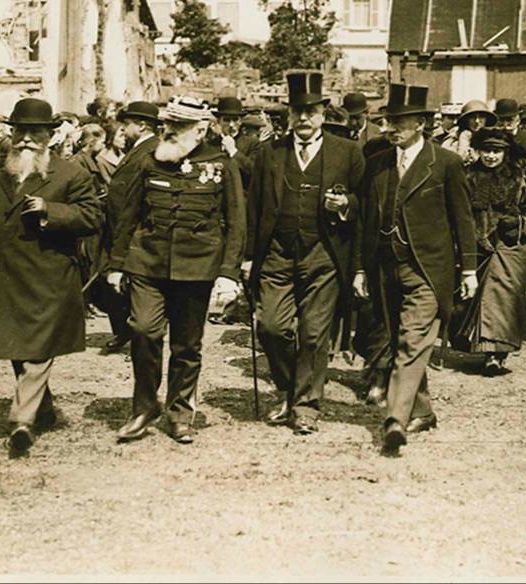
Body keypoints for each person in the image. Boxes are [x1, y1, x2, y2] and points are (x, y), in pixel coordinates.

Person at [0, 98, 102, 459]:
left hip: (49, 276)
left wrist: (52, 210)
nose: (26, 139)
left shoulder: (70, 173)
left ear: (49, 136)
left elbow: (92, 216)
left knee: (36, 350)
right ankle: (43, 408)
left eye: (35, 132)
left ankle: (21, 421)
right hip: (3, 277)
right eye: (21, 131)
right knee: (18, 347)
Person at [107, 98, 245, 444]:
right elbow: (129, 215)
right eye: (168, 123)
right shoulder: (148, 159)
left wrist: (229, 273)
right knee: (143, 330)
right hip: (147, 262)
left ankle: (180, 413)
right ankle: (143, 408)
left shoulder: (220, 163)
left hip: (196, 266)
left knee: (186, 345)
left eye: (178, 126)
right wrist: (116, 264)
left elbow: (236, 222)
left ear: (200, 130)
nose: (167, 130)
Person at [356, 84, 477, 454]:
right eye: (388, 121)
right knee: (399, 341)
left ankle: (396, 419)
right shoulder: (375, 163)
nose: (391, 128)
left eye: (400, 122)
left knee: (411, 340)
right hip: (385, 269)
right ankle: (423, 409)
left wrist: (469, 270)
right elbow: (365, 220)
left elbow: (463, 220)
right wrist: (362, 269)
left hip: (427, 270)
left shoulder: (445, 163)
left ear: (421, 124)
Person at [244, 72, 365, 434]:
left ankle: (306, 406)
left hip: (324, 255)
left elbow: (365, 203)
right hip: (277, 253)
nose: (304, 119)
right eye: (297, 112)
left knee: (314, 335)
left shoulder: (347, 152)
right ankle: (289, 389)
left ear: (324, 113)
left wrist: (346, 203)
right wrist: (248, 256)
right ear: (289, 115)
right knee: (270, 326)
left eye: (311, 111)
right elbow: (254, 208)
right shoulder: (270, 153)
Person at [452, 127, 526, 374]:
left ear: (505, 152)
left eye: (496, 151)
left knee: (502, 300)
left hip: (508, 248)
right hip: (474, 248)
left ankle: (496, 354)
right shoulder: (467, 177)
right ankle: (474, 345)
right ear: (477, 151)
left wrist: (519, 222)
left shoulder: (518, 178)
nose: (490, 156)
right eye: (486, 150)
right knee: (469, 300)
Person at [95, 102, 162, 356]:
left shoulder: (151, 150)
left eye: (127, 125)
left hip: (132, 231)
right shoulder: (139, 149)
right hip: (117, 228)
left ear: (142, 125)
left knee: (127, 284)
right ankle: (125, 332)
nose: (123, 130)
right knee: (110, 283)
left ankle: (134, 336)